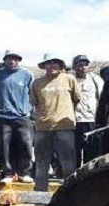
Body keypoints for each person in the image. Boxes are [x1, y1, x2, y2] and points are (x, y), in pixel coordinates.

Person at [31, 53, 81, 191]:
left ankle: (71, 194)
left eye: (54, 62)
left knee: (68, 164)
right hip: (42, 128)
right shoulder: (37, 83)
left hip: (64, 127)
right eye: (48, 63)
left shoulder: (69, 79)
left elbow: (76, 99)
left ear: (60, 65)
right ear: (44, 66)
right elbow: (35, 103)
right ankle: (40, 193)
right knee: (41, 165)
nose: (51, 66)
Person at [0, 50, 34, 183]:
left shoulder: (27, 74)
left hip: (23, 116)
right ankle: (7, 173)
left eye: (15, 59)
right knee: (5, 146)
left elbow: (33, 94)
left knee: (26, 144)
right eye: (9, 59)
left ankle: (25, 172)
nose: (12, 61)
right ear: (4, 60)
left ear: (19, 60)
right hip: (4, 116)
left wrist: (29, 111)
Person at [72, 54, 104, 167]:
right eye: (80, 65)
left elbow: (102, 99)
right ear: (74, 67)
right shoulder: (70, 80)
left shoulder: (96, 79)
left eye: (86, 65)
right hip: (74, 121)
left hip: (91, 120)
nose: (83, 67)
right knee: (74, 151)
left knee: (91, 151)